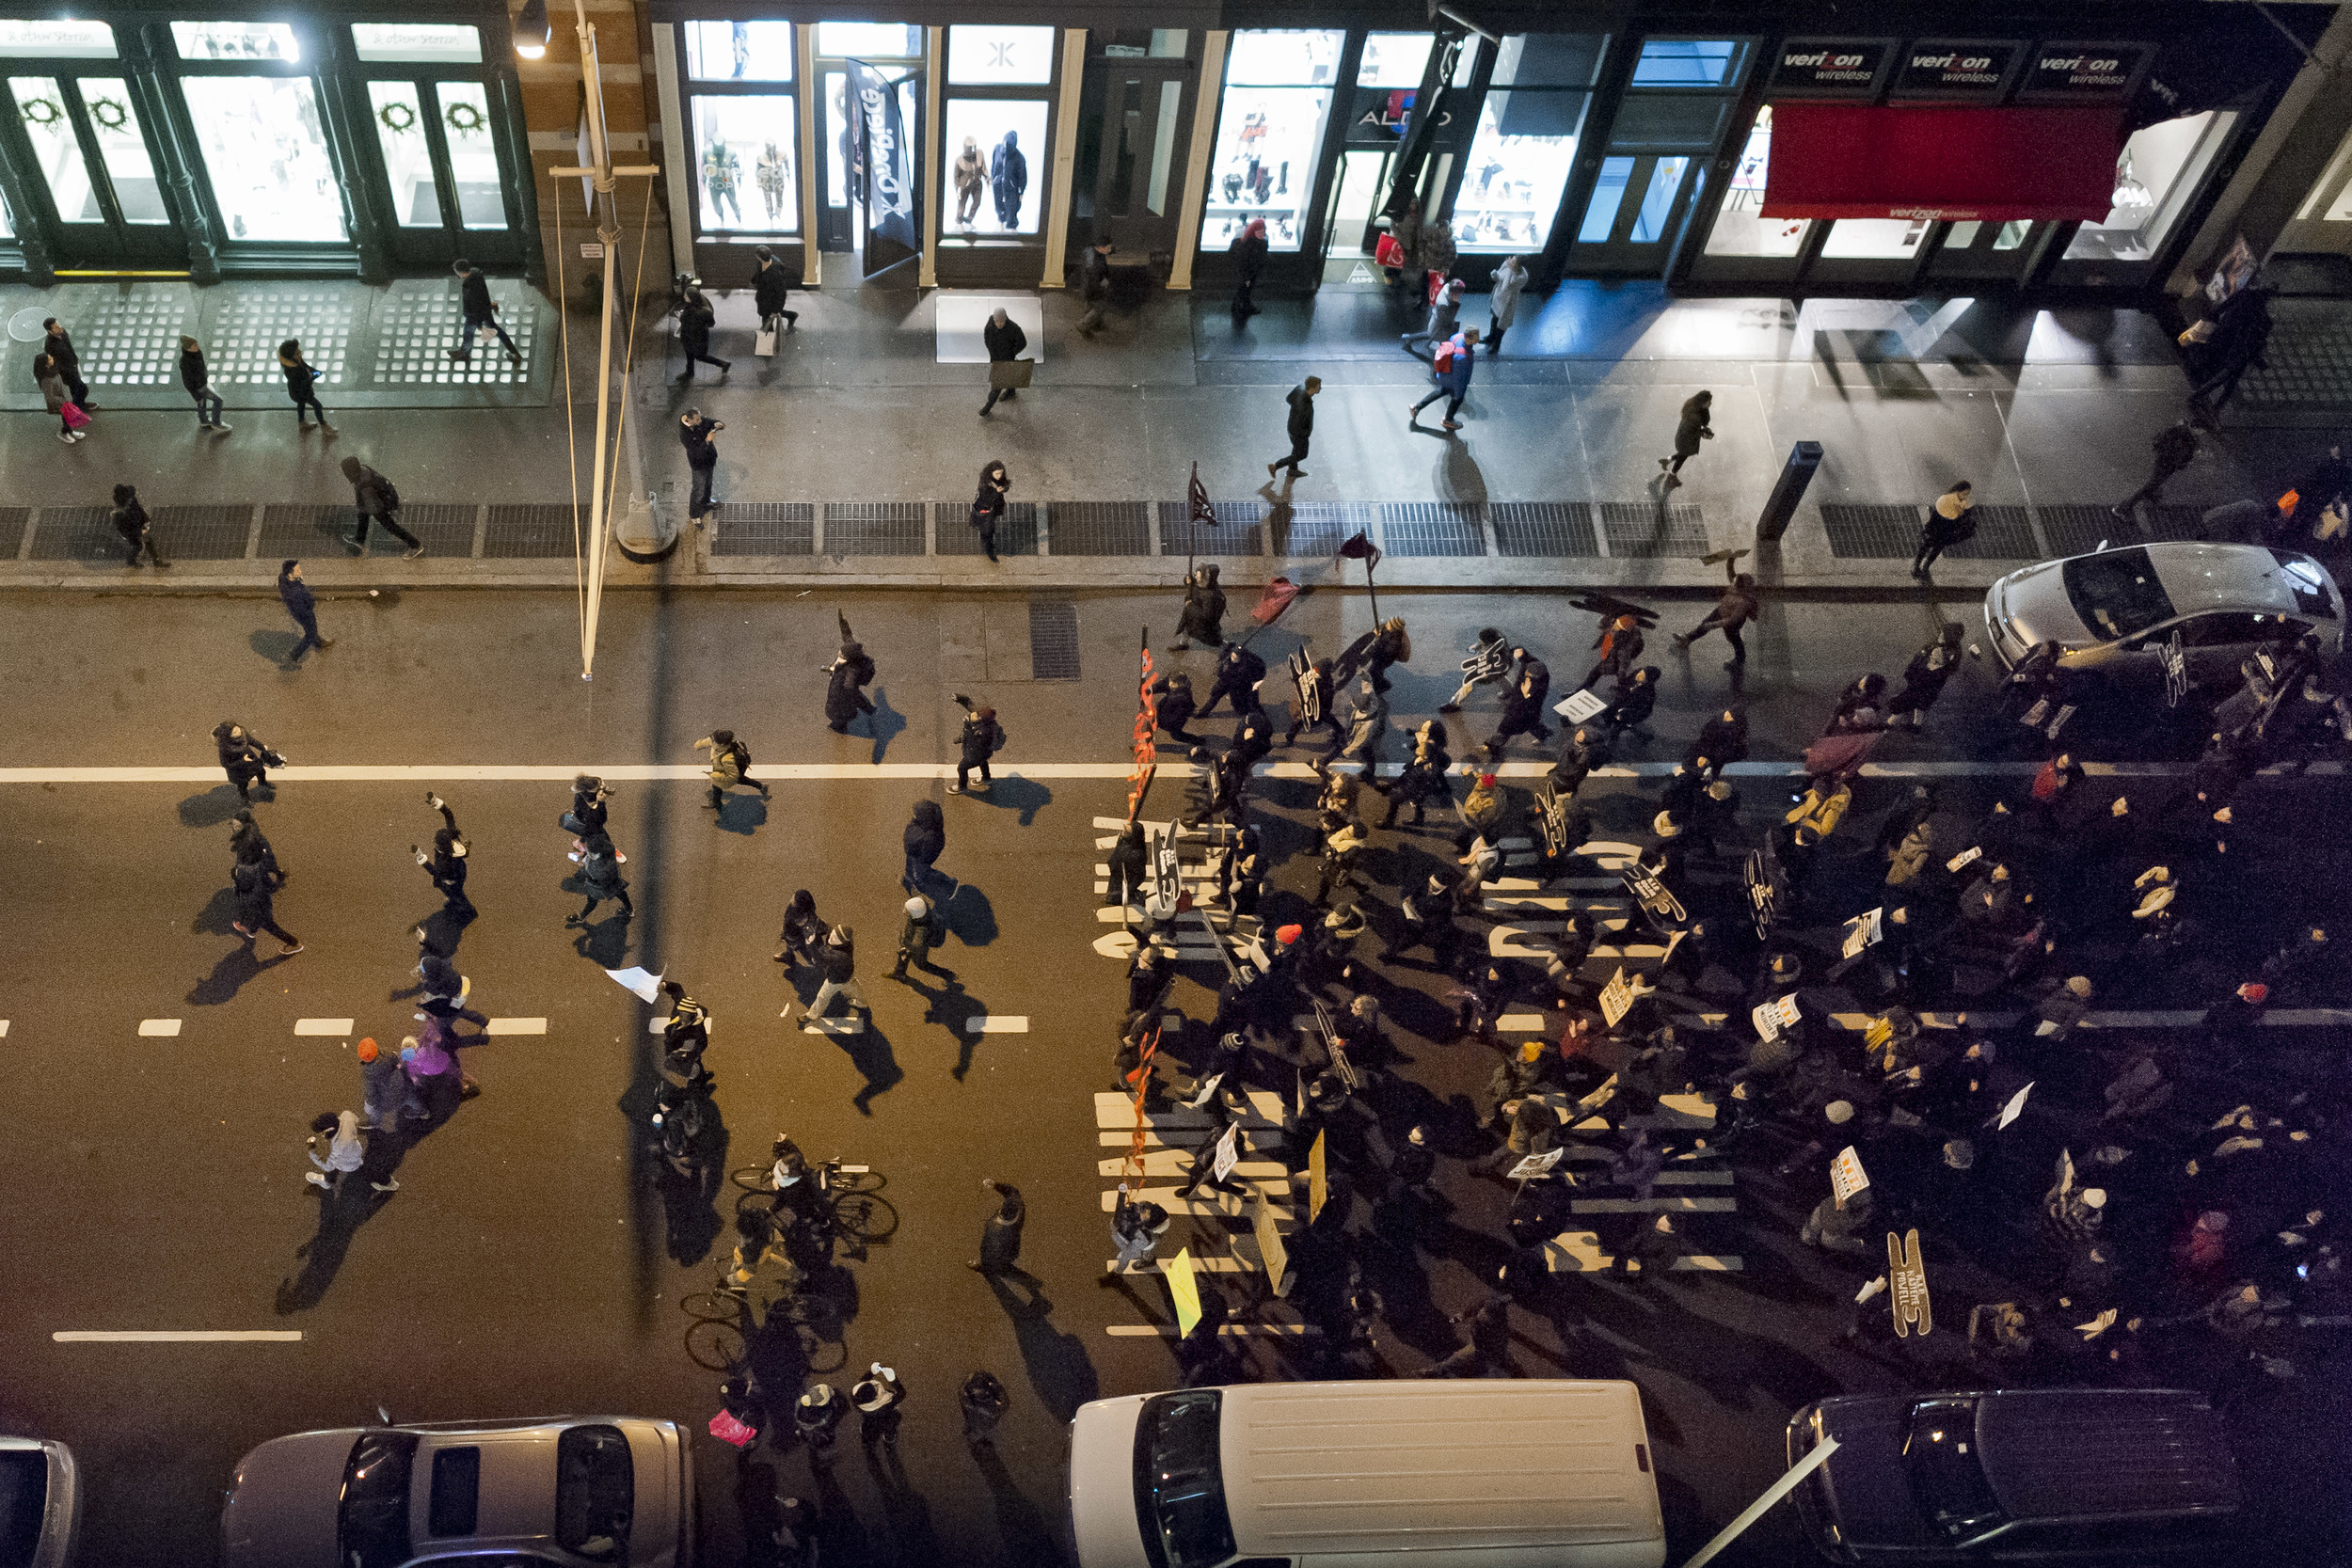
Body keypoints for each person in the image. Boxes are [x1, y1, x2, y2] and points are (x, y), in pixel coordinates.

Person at [1673, 549, 1758, 668]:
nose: (1736, 580)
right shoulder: (1736, 588)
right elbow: (1730, 572)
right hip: (1720, 611)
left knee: (1734, 639)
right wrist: (1732, 558)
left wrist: (1714, 625)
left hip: (1731, 622)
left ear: (1743, 585)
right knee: (1704, 625)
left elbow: (1732, 620)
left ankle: (1739, 660)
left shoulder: (1744, 602)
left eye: (1739, 580)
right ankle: (1687, 639)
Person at [340, 456, 424, 558]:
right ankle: (359, 540)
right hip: (384, 496)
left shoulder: (366, 487)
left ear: (352, 473)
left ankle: (415, 545)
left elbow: (373, 507)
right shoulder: (362, 471)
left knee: (389, 526)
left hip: (383, 503)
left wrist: (370, 509)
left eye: (346, 473)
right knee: (362, 515)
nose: (346, 476)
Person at [2116, 420, 2197, 521]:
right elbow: (2176, 452)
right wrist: (2179, 462)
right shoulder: (2185, 436)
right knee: (2149, 486)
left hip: (2165, 463)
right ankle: (2122, 509)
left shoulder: (2183, 432)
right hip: (2165, 464)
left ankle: (2151, 494)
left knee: (2154, 484)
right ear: (2198, 429)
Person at [447, 259, 521, 365]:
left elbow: (473, 304)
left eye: (456, 272)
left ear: (461, 272)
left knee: (468, 333)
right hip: (485, 310)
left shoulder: (468, 285)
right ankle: (514, 352)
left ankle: (464, 353)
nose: (457, 274)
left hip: (475, 315)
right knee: (497, 331)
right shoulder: (477, 275)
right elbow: (482, 296)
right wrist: (491, 305)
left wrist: (478, 323)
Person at [413, 792, 473, 915]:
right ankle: (456, 898)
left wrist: (421, 858)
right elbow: (449, 816)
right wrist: (436, 803)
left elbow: (434, 871)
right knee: (457, 889)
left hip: (451, 879)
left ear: (440, 846)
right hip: (461, 871)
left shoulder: (443, 863)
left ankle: (458, 906)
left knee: (453, 892)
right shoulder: (451, 839)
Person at [801, 924, 870, 1029]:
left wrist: (810, 942)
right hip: (848, 977)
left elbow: (820, 957)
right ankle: (862, 1004)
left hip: (835, 981)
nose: (831, 938)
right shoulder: (845, 944)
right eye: (833, 933)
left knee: (822, 997)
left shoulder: (839, 957)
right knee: (856, 991)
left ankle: (812, 1015)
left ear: (842, 942)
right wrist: (819, 923)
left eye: (835, 938)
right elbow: (829, 929)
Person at [1408, 326, 1477, 431]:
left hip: (1445, 374)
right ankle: (1448, 420)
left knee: (1441, 391)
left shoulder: (1457, 337)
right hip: (1452, 380)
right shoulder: (1462, 357)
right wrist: (1459, 394)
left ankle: (1417, 407)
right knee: (1457, 400)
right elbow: (1459, 379)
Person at [232, 851, 302, 955]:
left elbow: (245, 901)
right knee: (259, 919)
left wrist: (241, 918)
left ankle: (294, 943)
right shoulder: (258, 868)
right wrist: (279, 877)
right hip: (265, 901)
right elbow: (271, 886)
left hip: (258, 907)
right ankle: (251, 929)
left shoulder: (245, 876)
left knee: (270, 926)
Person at [565, 829, 633, 924]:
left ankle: (581, 917)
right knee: (619, 892)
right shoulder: (605, 848)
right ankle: (629, 910)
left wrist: (583, 866)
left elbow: (591, 870)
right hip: (608, 877)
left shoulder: (597, 861)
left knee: (595, 900)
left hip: (602, 880)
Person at [1913, 481, 1977, 578]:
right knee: (1929, 546)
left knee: (1934, 548)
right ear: (1958, 491)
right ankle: (1918, 566)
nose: (1966, 496)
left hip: (1946, 530)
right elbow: (1941, 515)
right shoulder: (1947, 500)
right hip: (1939, 528)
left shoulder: (1962, 503)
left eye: (1968, 494)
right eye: (1964, 494)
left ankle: (1924, 566)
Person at [694, 728, 767, 813]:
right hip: (719, 765)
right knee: (718, 784)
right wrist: (698, 745)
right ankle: (716, 802)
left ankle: (761, 786)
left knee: (738, 780)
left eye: (714, 740)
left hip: (731, 768)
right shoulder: (718, 742)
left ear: (722, 744)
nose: (712, 741)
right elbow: (707, 741)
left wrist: (715, 775)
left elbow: (733, 776)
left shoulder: (728, 758)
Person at [969, 1179, 1025, 1274]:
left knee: (988, 1250)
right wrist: (995, 1185)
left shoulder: (999, 1230)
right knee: (1011, 1249)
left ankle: (987, 1269)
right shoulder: (1018, 1204)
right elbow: (1011, 1191)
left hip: (999, 1243)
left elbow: (988, 1244)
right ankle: (1006, 1264)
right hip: (1012, 1243)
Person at [1269, 375, 1320, 481]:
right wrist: (1305, 433)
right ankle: (1276, 466)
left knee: (1296, 451)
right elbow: (1301, 419)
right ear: (1312, 388)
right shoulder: (1304, 404)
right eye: (1318, 386)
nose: (1320, 388)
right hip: (1299, 432)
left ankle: (1292, 470)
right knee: (1302, 454)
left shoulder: (1299, 389)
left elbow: (1288, 398)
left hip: (1292, 428)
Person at [1197, 638, 1264, 718]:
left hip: (1237, 687)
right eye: (1232, 656)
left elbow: (1255, 674)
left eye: (1235, 657)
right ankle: (1202, 713)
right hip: (1225, 681)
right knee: (1214, 698)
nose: (1233, 658)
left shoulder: (1246, 665)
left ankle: (1248, 717)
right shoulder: (1229, 657)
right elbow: (1221, 664)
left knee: (1239, 706)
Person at [277, 560, 329, 659]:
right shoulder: (297, 592)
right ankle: (294, 655)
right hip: (305, 614)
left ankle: (319, 643)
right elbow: (306, 605)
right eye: (297, 570)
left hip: (295, 611)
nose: (300, 571)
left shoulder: (283, 579)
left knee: (310, 629)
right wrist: (310, 604)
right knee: (310, 634)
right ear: (290, 574)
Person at [1404, 277, 1468, 359]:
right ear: (1454, 293)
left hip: (1439, 321)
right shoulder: (1443, 303)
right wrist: (1455, 305)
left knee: (1431, 335)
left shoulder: (1447, 288)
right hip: (1439, 323)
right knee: (1434, 335)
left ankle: (1410, 339)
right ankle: (1410, 338)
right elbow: (1446, 320)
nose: (1459, 296)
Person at [822, 635, 875, 734]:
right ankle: (869, 710)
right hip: (840, 703)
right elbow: (847, 636)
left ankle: (839, 730)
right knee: (852, 701)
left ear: (847, 657)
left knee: (839, 722)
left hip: (838, 710)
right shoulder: (852, 657)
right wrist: (842, 621)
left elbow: (852, 691)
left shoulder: (852, 672)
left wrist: (864, 707)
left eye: (841, 653)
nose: (839, 652)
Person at [951, 696, 1004, 794]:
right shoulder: (987, 723)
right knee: (983, 761)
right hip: (985, 753)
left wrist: (958, 739)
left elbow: (966, 738)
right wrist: (960, 698)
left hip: (975, 755)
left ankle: (962, 786)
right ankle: (986, 778)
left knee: (962, 768)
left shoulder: (980, 732)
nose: (971, 715)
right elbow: (969, 703)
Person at [1580, 612, 1645, 691]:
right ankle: (1623, 689)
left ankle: (1582, 689)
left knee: (1601, 671)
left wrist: (1622, 670)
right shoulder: (1618, 628)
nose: (1613, 627)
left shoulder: (1624, 641)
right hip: (1616, 657)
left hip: (1618, 660)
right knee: (1616, 675)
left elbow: (1624, 657)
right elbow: (1604, 634)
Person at [213, 721, 278, 801]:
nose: (239, 731)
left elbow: (252, 741)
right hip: (239, 769)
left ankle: (263, 783)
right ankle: (245, 798)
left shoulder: (243, 734)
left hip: (251, 760)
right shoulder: (224, 747)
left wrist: (262, 747)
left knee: (261, 771)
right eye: (235, 732)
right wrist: (243, 761)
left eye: (238, 728)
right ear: (229, 736)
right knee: (243, 784)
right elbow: (225, 764)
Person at [1661, 389, 1712, 487]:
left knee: (1683, 454)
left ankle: (1667, 460)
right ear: (1703, 402)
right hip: (1685, 440)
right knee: (1682, 457)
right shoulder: (1694, 416)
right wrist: (1703, 434)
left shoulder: (1694, 407)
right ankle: (1672, 476)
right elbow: (1690, 431)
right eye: (1709, 402)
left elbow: (1701, 423)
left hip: (1684, 438)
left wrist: (1702, 430)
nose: (1710, 404)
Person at [679, 408, 723, 524]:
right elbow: (696, 453)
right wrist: (707, 441)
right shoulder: (685, 435)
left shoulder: (698, 420)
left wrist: (716, 423)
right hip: (699, 465)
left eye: (700, 417)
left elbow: (707, 421)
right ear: (690, 420)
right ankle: (694, 514)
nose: (700, 421)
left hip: (709, 460)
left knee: (708, 484)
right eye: (697, 419)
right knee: (698, 489)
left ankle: (706, 504)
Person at [675, 288, 728, 382]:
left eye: (686, 296)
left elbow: (711, 323)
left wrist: (688, 320)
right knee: (689, 355)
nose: (684, 297)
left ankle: (723, 364)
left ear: (692, 297)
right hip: (687, 336)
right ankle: (689, 372)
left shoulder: (701, 312)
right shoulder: (696, 303)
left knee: (700, 356)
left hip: (698, 338)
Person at [979, 310, 1025, 418]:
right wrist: (991, 349)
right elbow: (986, 336)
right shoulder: (990, 323)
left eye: (1001, 321)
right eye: (997, 321)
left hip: (1006, 359)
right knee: (1009, 376)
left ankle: (987, 407)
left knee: (997, 385)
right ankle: (1011, 391)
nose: (999, 324)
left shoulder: (1013, 328)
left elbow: (1022, 342)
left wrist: (1011, 353)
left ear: (1005, 320)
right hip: (996, 358)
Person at [178, 335, 229, 432]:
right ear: (189, 348)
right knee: (218, 401)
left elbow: (201, 369)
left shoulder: (196, 353)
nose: (198, 347)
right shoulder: (186, 362)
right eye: (195, 345)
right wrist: (195, 393)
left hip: (202, 383)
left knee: (202, 401)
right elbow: (187, 381)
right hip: (199, 387)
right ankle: (216, 423)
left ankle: (204, 421)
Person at [111, 484, 167, 569]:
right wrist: (139, 530)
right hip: (130, 530)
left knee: (144, 542)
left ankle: (154, 561)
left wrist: (145, 521)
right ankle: (136, 561)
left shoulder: (131, 502)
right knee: (139, 544)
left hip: (134, 527)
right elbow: (125, 526)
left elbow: (139, 511)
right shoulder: (120, 511)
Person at [1172, 566, 1228, 652]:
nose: (1195, 578)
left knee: (1213, 639)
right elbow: (1193, 584)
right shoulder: (1203, 585)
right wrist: (1188, 580)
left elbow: (1207, 615)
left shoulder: (1210, 594)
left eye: (1197, 577)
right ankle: (1184, 644)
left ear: (1204, 578)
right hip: (1195, 614)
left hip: (1203, 621)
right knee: (1187, 626)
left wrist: (1190, 607)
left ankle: (1226, 647)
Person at [903, 799, 951, 897]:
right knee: (917, 868)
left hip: (919, 856)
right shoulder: (935, 821)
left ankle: (920, 882)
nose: (913, 815)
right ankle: (914, 876)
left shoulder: (924, 834)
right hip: (925, 854)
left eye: (916, 814)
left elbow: (910, 842)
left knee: (919, 872)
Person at [278, 339, 330, 429]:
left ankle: (302, 423)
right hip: (301, 392)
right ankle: (324, 425)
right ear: (292, 355)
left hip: (299, 391)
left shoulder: (296, 362)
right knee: (318, 406)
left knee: (301, 405)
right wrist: (313, 376)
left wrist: (314, 371)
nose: (299, 351)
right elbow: (305, 382)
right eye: (296, 351)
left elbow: (306, 366)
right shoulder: (294, 370)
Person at [893, 894, 946, 979]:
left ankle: (948, 975)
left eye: (907, 910)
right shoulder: (921, 907)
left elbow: (917, 946)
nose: (904, 910)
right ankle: (899, 973)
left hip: (918, 943)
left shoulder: (921, 931)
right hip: (912, 936)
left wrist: (904, 943)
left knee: (921, 965)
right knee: (903, 953)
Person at [40, 317, 88, 409]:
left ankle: (79, 406)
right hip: (66, 372)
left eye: (58, 325)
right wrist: (66, 371)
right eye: (56, 327)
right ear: (49, 331)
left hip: (73, 366)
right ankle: (77, 409)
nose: (59, 328)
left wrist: (75, 360)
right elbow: (54, 363)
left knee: (79, 390)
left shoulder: (63, 333)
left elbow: (69, 347)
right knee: (80, 390)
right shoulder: (50, 345)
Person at [1486, 254, 1529, 356]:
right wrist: (1495, 274)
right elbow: (1500, 277)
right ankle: (1490, 337)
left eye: (1514, 262)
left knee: (1502, 323)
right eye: (1512, 260)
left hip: (1507, 302)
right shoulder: (1507, 264)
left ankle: (1496, 345)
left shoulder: (1522, 276)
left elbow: (1506, 286)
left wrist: (1510, 269)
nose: (1510, 262)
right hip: (1498, 296)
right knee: (1494, 317)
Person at [969, 458, 1009, 562]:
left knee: (989, 526)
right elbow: (985, 498)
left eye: (1000, 473)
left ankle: (988, 541)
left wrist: (1004, 488)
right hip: (985, 508)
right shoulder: (985, 483)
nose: (999, 476)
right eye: (996, 474)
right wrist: (996, 491)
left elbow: (1005, 484)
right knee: (987, 529)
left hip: (994, 508)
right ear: (991, 472)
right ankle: (990, 551)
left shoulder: (998, 478)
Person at [752, 245, 798, 333]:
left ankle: (768, 338)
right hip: (763, 296)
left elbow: (781, 292)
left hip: (771, 299)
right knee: (769, 314)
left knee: (767, 319)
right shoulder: (762, 263)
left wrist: (776, 309)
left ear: (759, 257)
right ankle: (791, 315)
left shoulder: (775, 273)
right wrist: (754, 280)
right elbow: (759, 274)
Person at [36, 354, 81, 444]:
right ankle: (64, 433)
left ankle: (69, 431)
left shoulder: (54, 371)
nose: (52, 358)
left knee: (67, 418)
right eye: (49, 359)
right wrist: (64, 401)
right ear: (45, 363)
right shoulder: (47, 379)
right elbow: (50, 397)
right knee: (66, 418)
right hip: (60, 402)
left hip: (65, 399)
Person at [1230, 216, 1268, 323]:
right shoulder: (1251, 244)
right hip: (1248, 273)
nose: (1261, 234)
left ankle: (1240, 305)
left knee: (1245, 288)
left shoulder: (1250, 241)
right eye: (1259, 232)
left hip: (1250, 272)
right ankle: (1241, 306)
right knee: (1245, 287)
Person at [1075, 235, 1114, 334]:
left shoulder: (1090, 251)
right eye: (1108, 247)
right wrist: (1102, 288)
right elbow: (1095, 279)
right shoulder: (1096, 264)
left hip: (1086, 286)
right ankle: (1083, 325)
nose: (1110, 250)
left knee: (1090, 305)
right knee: (1099, 307)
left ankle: (1097, 324)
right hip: (1093, 288)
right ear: (1102, 248)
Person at [990, 129, 1027, 230]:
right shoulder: (997, 149)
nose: (1006, 148)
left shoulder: (1019, 158)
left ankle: (1012, 226)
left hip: (1011, 187)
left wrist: (1021, 191)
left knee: (1012, 208)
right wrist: (993, 178)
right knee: (999, 205)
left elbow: (1022, 176)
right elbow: (993, 164)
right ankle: (1001, 221)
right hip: (998, 184)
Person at [953, 135, 986, 227]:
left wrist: (988, 179)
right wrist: (958, 188)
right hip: (964, 185)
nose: (972, 150)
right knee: (962, 203)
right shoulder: (959, 160)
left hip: (977, 184)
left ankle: (970, 218)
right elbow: (956, 176)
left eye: (973, 147)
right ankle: (959, 219)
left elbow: (983, 168)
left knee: (977, 202)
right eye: (970, 148)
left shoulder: (979, 155)